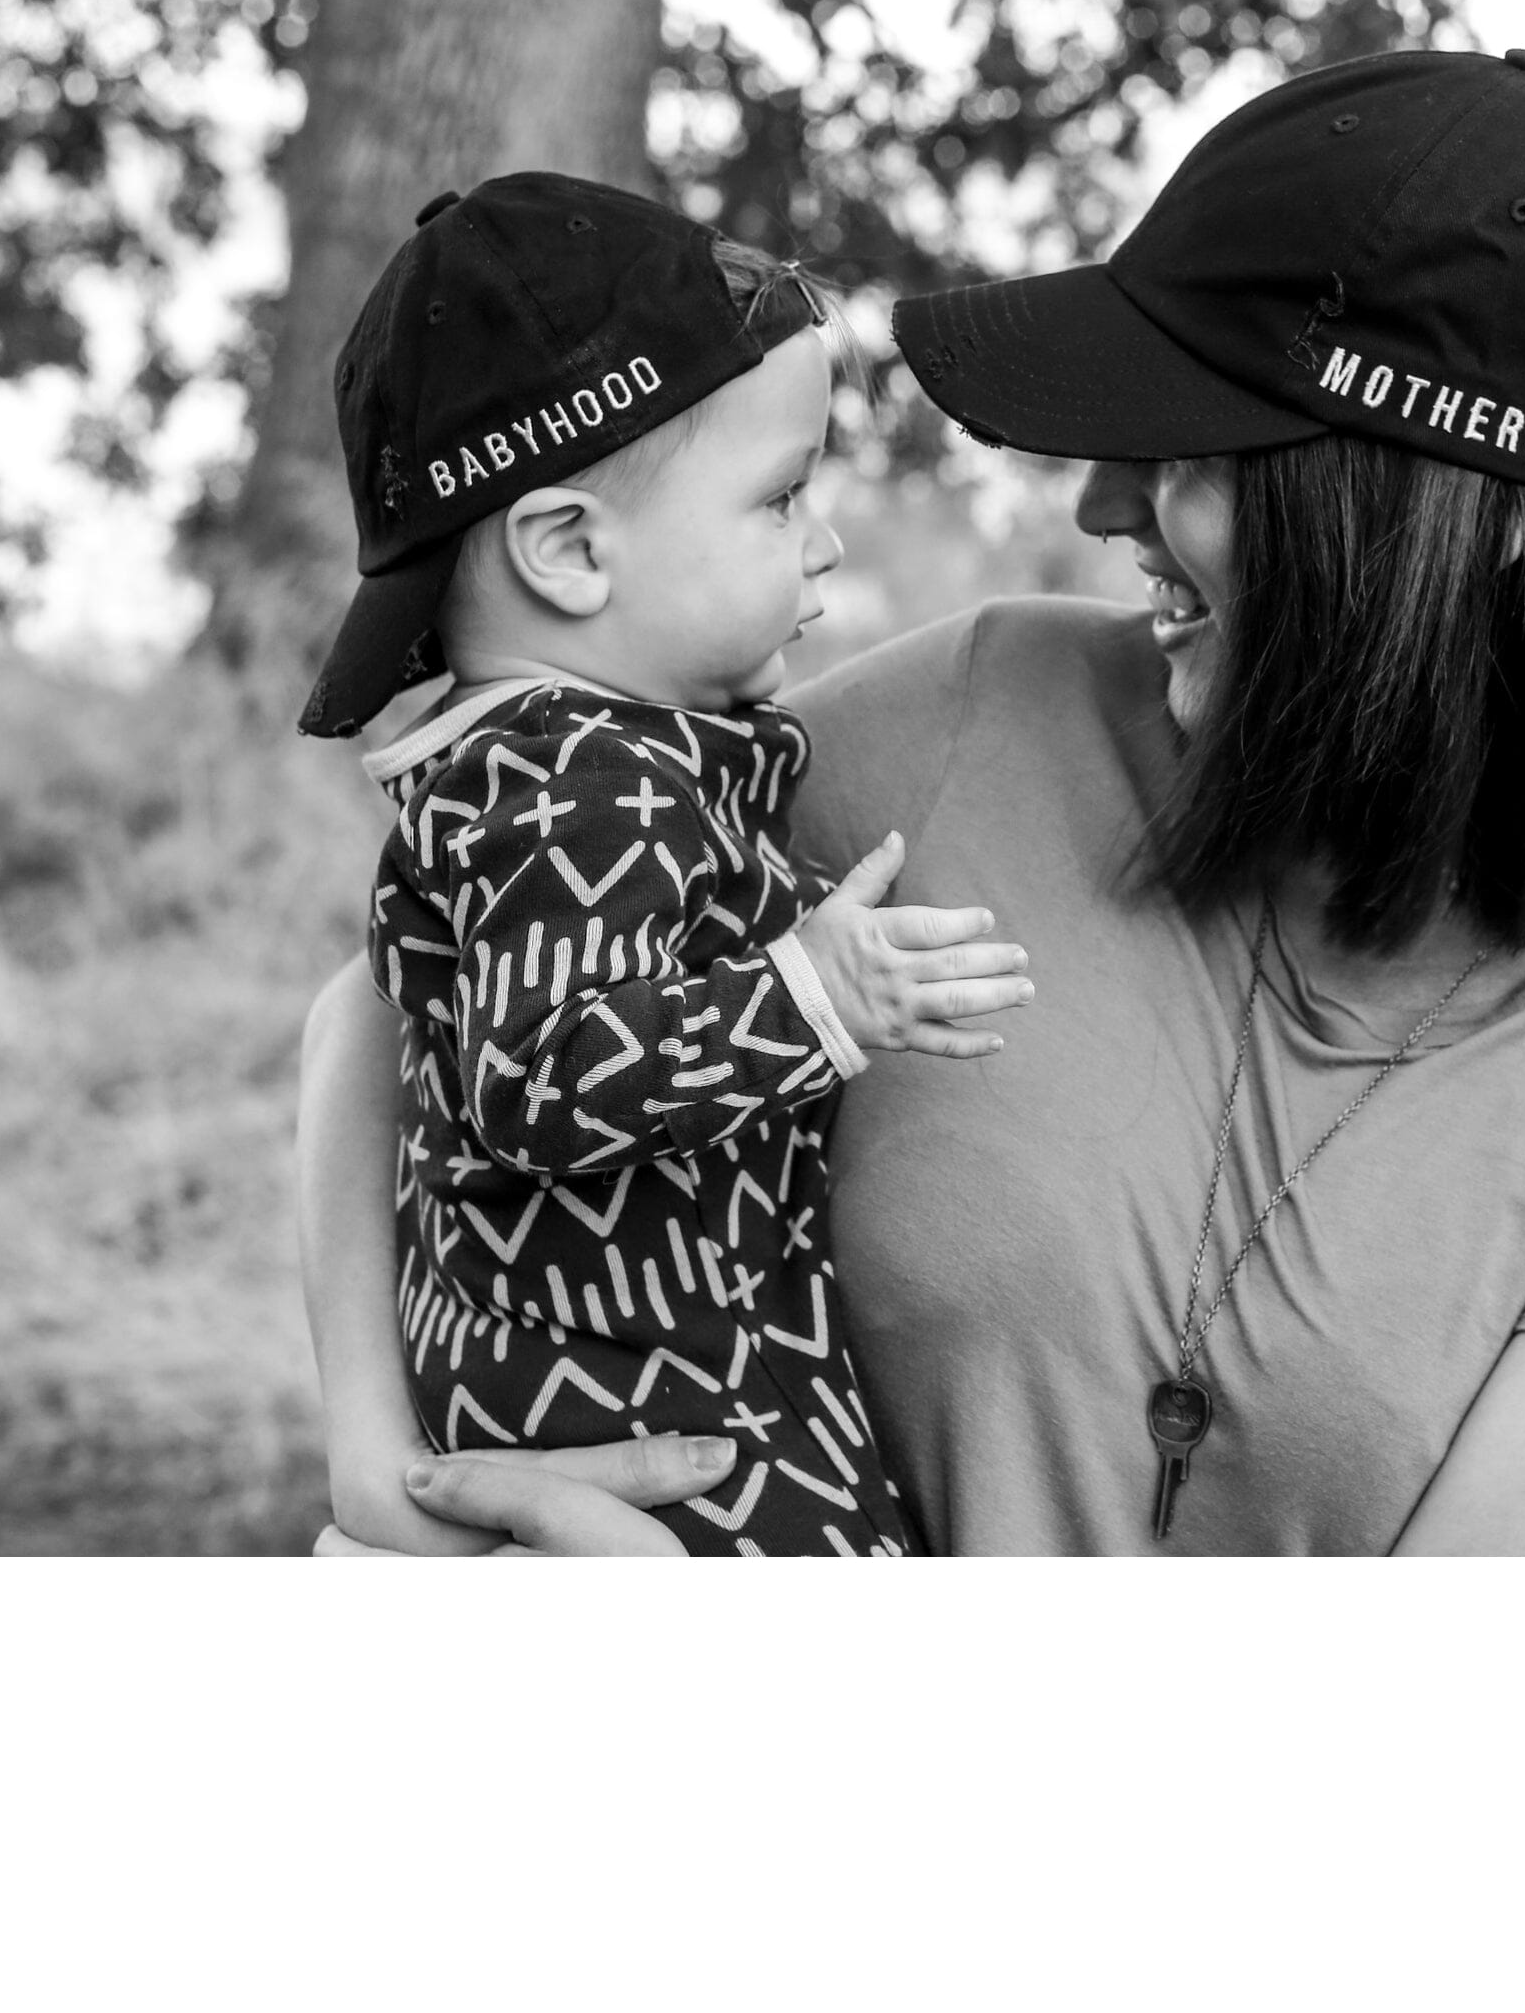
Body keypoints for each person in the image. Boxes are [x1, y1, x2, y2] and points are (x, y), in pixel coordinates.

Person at [298, 46, 1525, 1555]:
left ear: (1451, 514)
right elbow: (410, 995)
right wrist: (388, 1466)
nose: (1098, 499)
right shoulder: (983, 709)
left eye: (1192, 441)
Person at [295, 172, 1032, 1555]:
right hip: (654, 1416)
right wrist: (809, 995)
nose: (819, 545)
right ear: (571, 548)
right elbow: (535, 1074)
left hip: (640, 1384)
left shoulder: (562, 757)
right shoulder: (579, 773)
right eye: (778, 497)